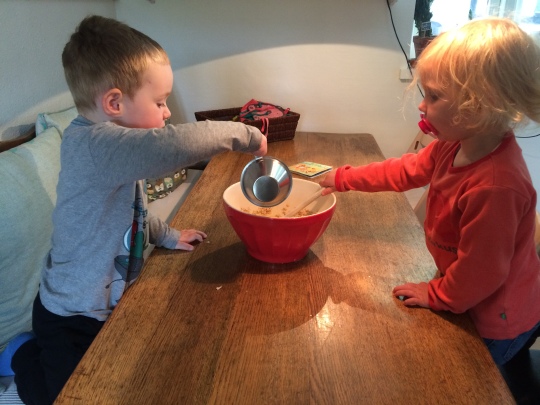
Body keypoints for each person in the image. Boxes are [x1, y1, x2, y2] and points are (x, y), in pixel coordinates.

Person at [4, 15, 267, 404]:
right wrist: (246, 135)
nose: (167, 113)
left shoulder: (117, 151)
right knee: (54, 396)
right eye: (159, 102)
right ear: (114, 103)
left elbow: (132, 212)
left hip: (103, 307)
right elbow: (174, 144)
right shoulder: (95, 146)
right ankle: (21, 353)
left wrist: (168, 235)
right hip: (68, 317)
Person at [319, 17, 540, 366]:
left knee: (467, 379)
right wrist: (344, 178)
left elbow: (482, 273)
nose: (422, 106)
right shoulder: (453, 144)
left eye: (434, 96)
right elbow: (403, 171)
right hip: (464, 287)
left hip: (495, 317)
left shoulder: (496, 186)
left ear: (480, 106)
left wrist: (437, 295)